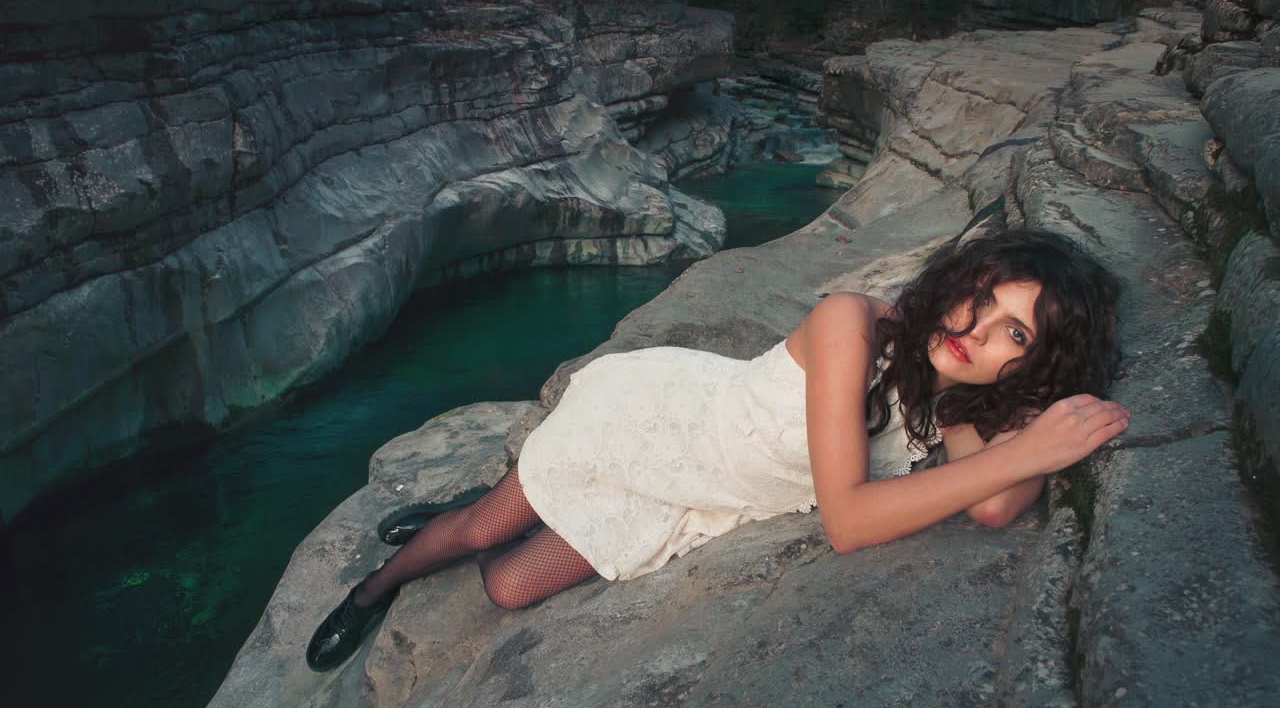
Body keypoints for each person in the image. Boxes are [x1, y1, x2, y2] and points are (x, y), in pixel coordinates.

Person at [305, 229, 1127, 672]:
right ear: (957, 281)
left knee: (511, 586)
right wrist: (1030, 449)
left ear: (1035, 363)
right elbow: (848, 521)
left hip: (703, 493)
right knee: (486, 531)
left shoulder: (958, 398)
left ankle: (509, 495)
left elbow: (990, 502)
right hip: (657, 421)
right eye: (978, 301)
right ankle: (379, 585)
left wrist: (1033, 434)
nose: (970, 331)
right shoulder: (857, 323)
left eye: (1010, 333)